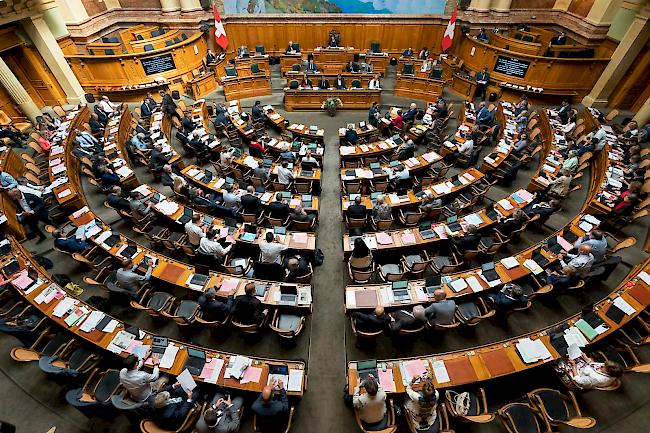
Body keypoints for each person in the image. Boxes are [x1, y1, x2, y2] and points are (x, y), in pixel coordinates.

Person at [556, 353, 623, 390]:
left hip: (575, 378)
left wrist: (574, 366)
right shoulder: (610, 371)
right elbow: (594, 365)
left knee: (558, 360)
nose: (601, 366)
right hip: (582, 369)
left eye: (603, 367)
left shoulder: (596, 379)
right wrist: (586, 359)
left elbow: (577, 380)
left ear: (608, 373)